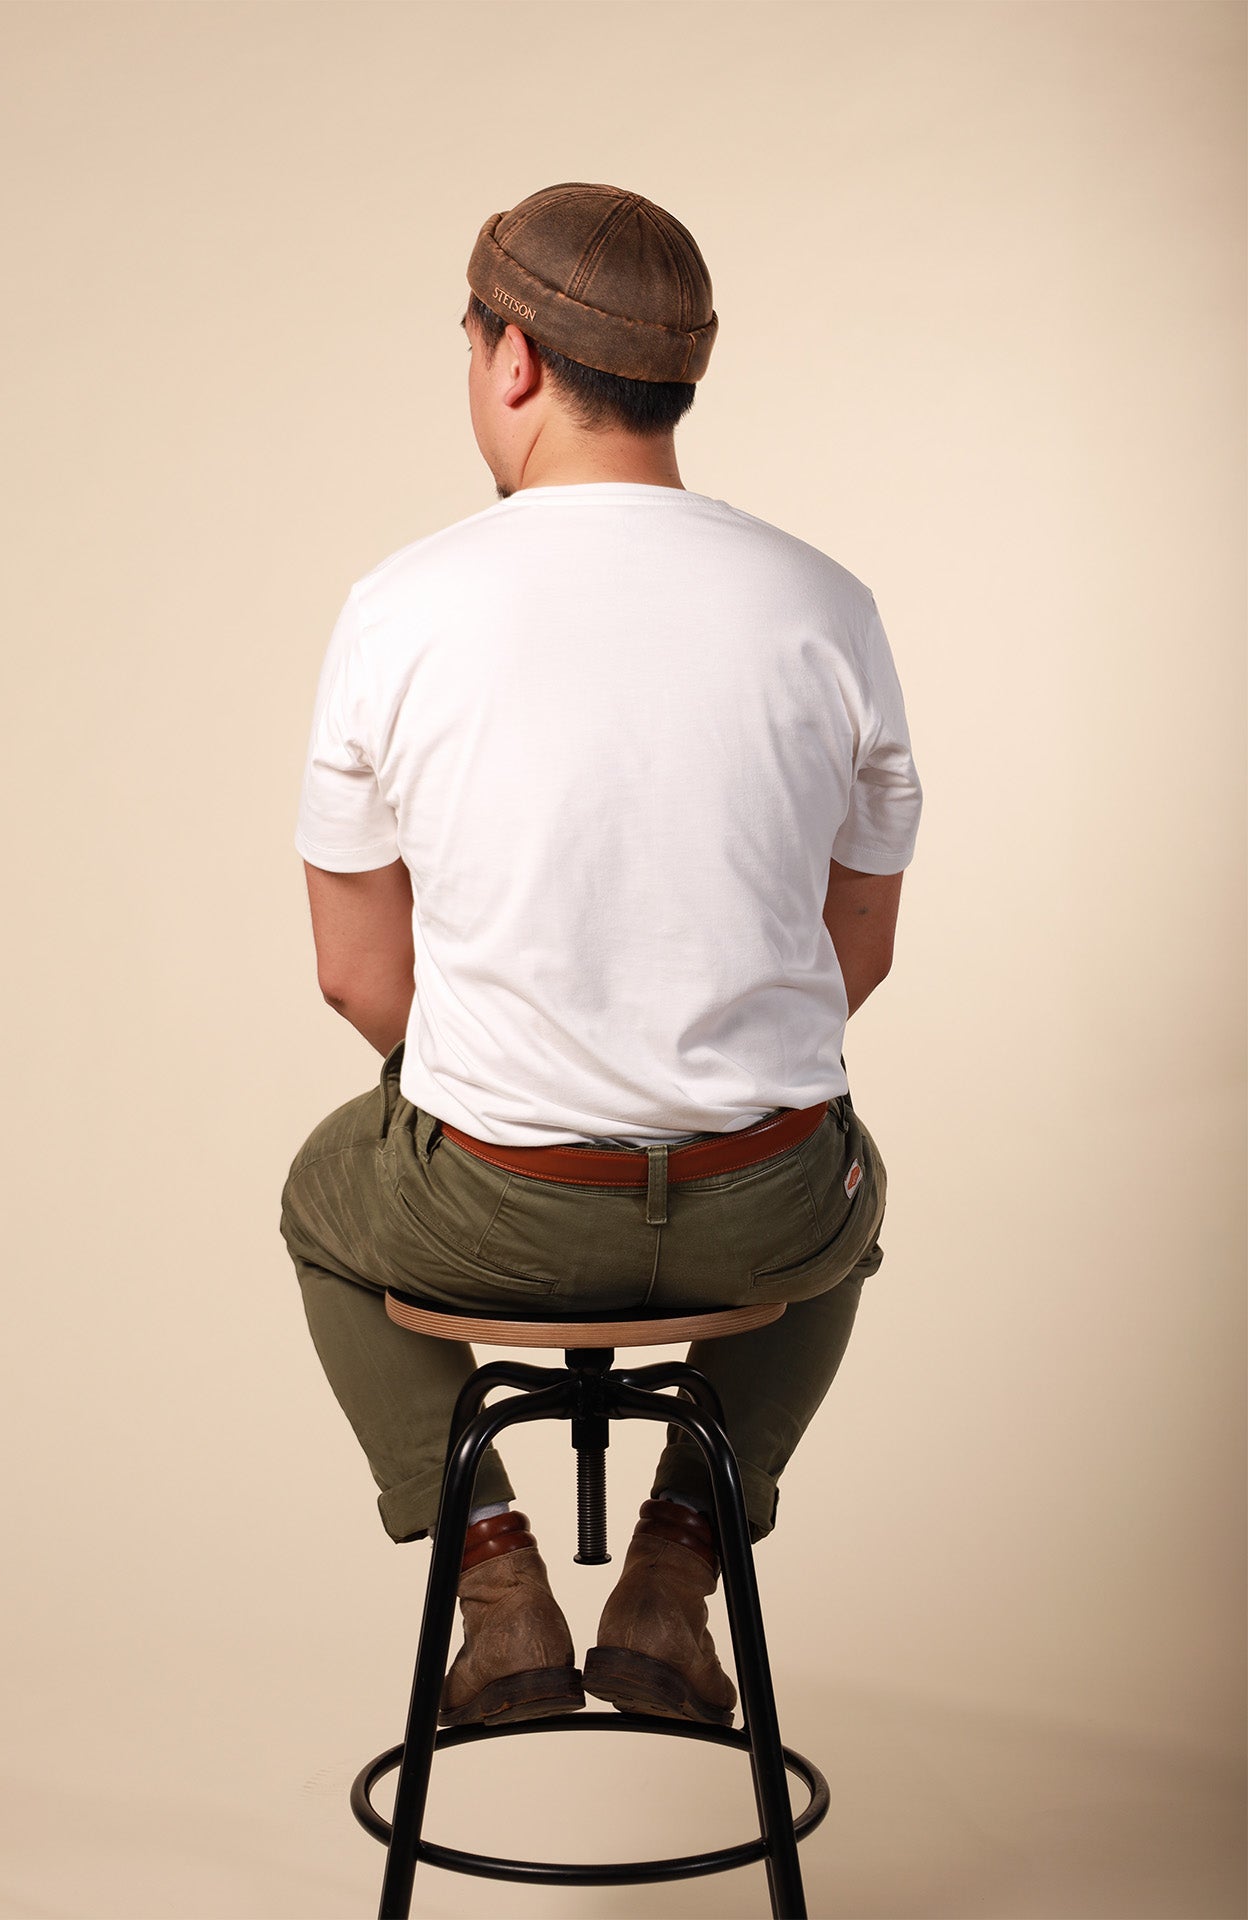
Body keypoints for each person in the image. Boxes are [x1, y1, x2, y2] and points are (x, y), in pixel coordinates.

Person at [279, 181, 923, 1733]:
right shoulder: (828, 606)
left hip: (493, 1203)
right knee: (856, 1189)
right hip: (763, 1203)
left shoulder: (400, 607)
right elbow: (857, 957)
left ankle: (496, 1585)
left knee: (320, 1199)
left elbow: (359, 978)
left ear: (512, 361)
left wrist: (517, 1085)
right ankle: (672, 1574)